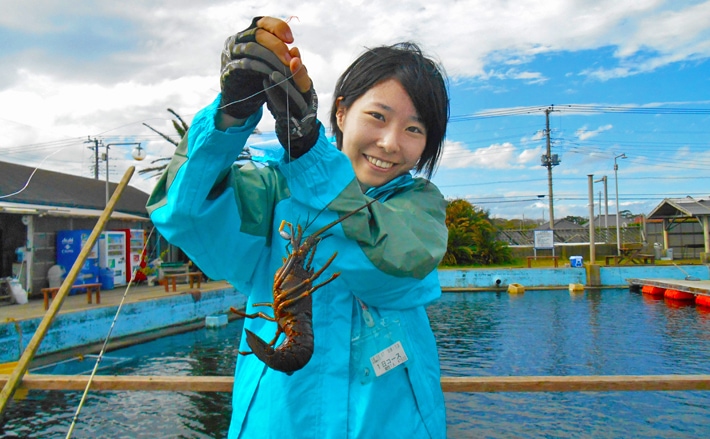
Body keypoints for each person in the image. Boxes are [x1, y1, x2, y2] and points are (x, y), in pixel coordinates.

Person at [147, 16, 450, 438]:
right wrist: (232, 114)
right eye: (377, 117)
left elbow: (391, 274)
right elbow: (182, 214)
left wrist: (310, 151)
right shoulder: (274, 192)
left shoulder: (419, 206)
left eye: (414, 129)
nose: (391, 143)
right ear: (342, 112)